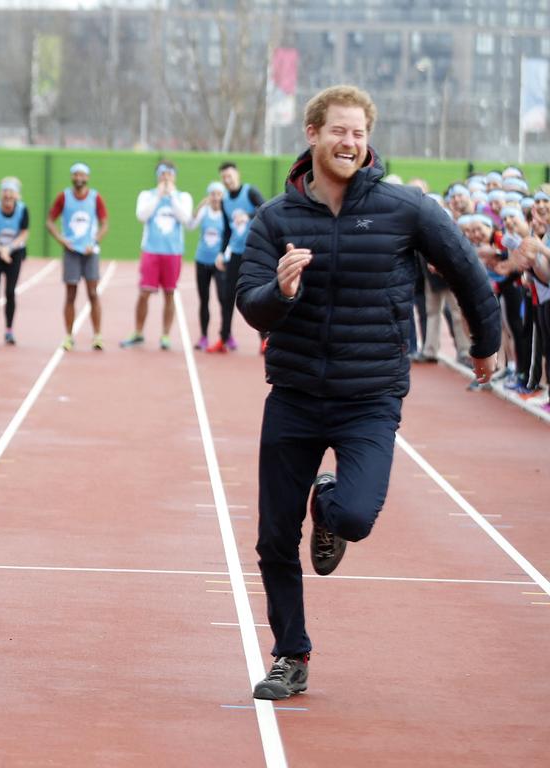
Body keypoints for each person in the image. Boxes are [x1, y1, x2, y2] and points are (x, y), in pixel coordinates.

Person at [236, 85, 500, 700]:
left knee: (354, 515)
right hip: (295, 395)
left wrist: (485, 343)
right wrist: (280, 292)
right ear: (312, 134)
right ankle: (291, 655)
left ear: (368, 140)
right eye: (338, 131)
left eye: (358, 133)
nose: (349, 142)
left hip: (370, 397)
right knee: (275, 536)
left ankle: (328, 505)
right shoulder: (276, 218)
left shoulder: (405, 209)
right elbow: (250, 304)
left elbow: (463, 265)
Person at [120, 161, 192, 351]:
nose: (165, 178)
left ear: (175, 176)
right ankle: (138, 332)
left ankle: (165, 335)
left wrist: (172, 196)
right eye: (162, 174)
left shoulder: (183, 197)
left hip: (173, 252)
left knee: (170, 293)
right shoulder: (147, 195)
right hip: (151, 251)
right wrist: (159, 195)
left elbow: (185, 218)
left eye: (169, 174)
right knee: (144, 293)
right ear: (157, 176)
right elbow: (142, 215)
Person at [45, 162, 109, 351]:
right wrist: (61, 240)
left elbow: (105, 223)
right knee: (71, 295)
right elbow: (50, 221)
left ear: (87, 177)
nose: (79, 178)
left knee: (93, 293)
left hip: (90, 251)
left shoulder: (95, 198)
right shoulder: (63, 197)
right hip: (71, 251)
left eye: (82, 175)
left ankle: (97, 335)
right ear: (72, 177)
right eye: (76, 175)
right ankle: (69, 336)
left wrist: (95, 241)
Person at [218, 160, 267, 353]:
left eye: (229, 176)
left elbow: (265, 210)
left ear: (237, 175)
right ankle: (223, 338)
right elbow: (226, 231)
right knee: (227, 296)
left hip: (254, 252)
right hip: (236, 253)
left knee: (257, 297)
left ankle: (264, 340)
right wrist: (222, 253)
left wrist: (248, 215)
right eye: (224, 177)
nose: (227, 180)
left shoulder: (250, 192)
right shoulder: (224, 201)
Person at [0, 177, 29, 345]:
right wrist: (1, 249)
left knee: (10, 291)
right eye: (5, 192)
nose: (8, 195)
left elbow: (24, 233)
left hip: (14, 253)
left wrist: (8, 249)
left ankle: (9, 330)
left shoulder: (23, 210)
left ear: (17, 195)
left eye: (11, 192)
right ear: (1, 194)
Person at [187, 181, 230, 351]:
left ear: (223, 196)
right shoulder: (204, 212)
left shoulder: (226, 214)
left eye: (219, 194)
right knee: (204, 299)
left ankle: (226, 335)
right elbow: (190, 225)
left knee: (223, 299)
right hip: (202, 260)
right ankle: (204, 336)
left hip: (219, 263)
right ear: (209, 196)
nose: (216, 197)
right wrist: (199, 206)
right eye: (213, 194)